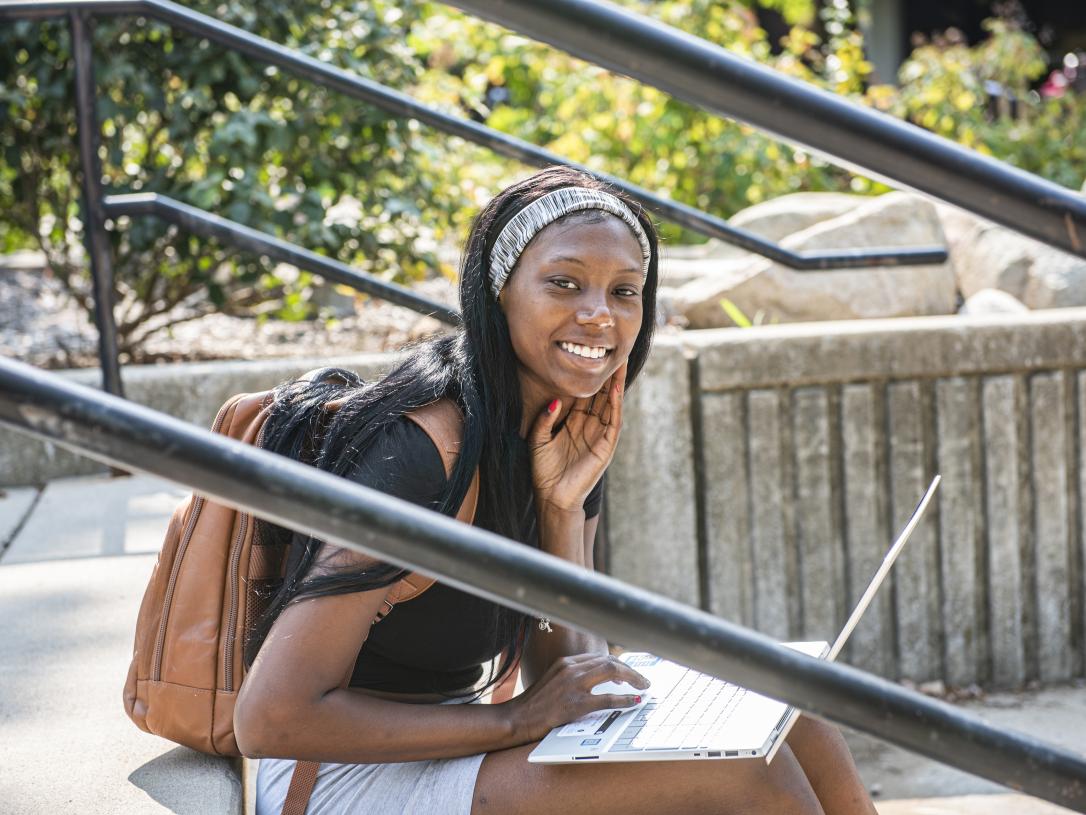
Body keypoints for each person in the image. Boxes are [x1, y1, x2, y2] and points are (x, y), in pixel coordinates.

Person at [234, 165, 877, 814]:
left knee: (794, 710)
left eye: (625, 291)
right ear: (499, 291)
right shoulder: (424, 450)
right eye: (564, 283)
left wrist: (562, 510)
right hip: (336, 775)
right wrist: (514, 721)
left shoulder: (557, 425)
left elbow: (566, 671)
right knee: (745, 775)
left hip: (448, 744)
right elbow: (272, 717)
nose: (599, 315)